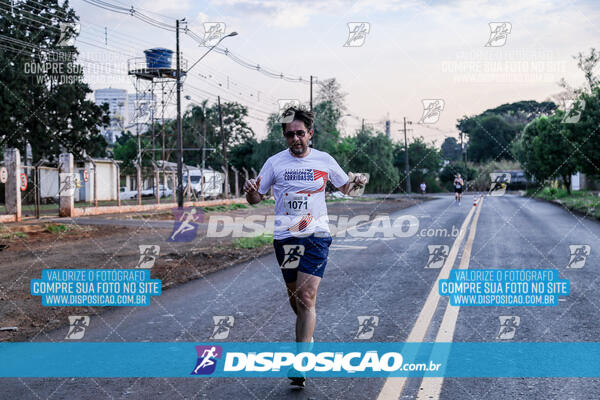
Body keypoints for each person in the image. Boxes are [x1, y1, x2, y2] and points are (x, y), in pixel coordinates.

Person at [243, 106, 367, 388]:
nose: (296, 139)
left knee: (307, 297)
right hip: (285, 237)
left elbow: (348, 189)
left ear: (310, 133)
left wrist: (358, 182)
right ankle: (307, 339)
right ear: (285, 137)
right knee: (296, 299)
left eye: (301, 133)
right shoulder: (275, 163)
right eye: (290, 135)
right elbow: (255, 198)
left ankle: (300, 363)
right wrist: (251, 190)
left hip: (316, 236)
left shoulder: (324, 160)